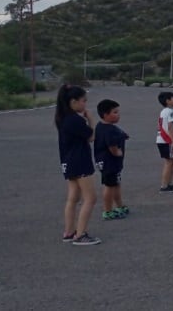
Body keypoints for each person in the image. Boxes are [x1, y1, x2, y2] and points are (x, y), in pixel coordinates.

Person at [55, 85, 101, 245]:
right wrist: (91, 120)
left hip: (68, 162)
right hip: (80, 161)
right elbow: (91, 137)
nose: (85, 104)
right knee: (90, 198)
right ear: (73, 102)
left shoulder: (63, 118)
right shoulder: (75, 120)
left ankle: (69, 231)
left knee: (73, 198)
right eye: (83, 101)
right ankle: (80, 234)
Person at [94, 99, 129, 221]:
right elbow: (111, 145)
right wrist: (117, 152)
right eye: (115, 112)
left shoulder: (103, 126)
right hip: (109, 162)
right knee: (109, 186)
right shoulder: (109, 130)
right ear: (105, 115)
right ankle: (107, 210)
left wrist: (123, 135)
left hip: (109, 163)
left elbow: (118, 134)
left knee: (116, 184)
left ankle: (119, 206)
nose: (118, 114)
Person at [156, 92, 173, 193]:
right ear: (168, 101)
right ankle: (164, 186)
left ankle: (169, 183)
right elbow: (170, 127)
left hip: (162, 140)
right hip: (166, 141)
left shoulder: (164, 111)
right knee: (169, 162)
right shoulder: (171, 111)